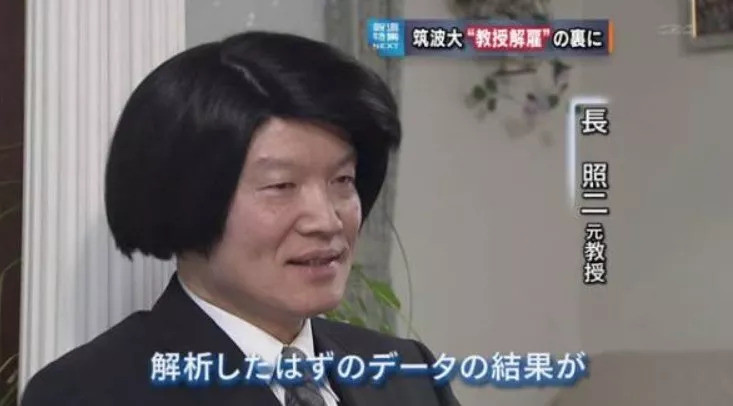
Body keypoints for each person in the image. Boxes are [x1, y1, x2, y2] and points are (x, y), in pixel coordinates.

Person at [21, 31, 461, 406]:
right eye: (281, 186)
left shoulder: (409, 375)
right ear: (185, 197)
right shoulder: (91, 392)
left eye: (342, 180)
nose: (327, 221)